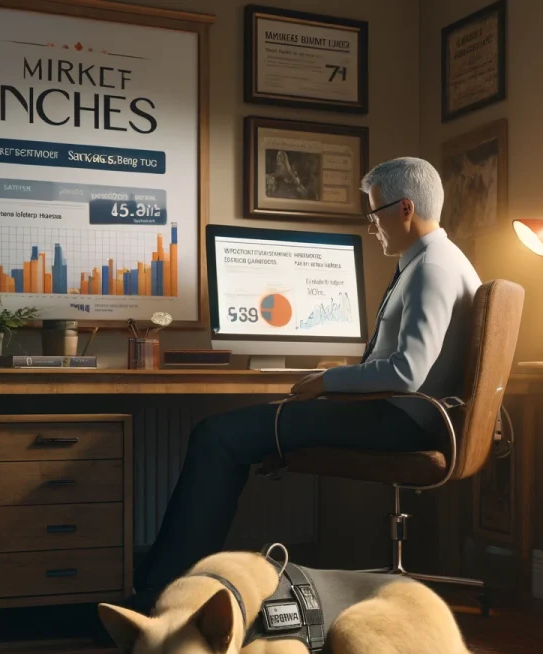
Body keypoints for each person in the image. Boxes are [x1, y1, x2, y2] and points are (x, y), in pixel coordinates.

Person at [130, 157, 482, 610]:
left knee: (215, 437)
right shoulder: (443, 260)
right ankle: (163, 586)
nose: (372, 225)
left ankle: (163, 599)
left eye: (374, 213)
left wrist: (327, 381)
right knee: (238, 434)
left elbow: (407, 372)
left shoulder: (430, 269)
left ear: (406, 209)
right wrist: (334, 385)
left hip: (398, 420)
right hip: (402, 415)